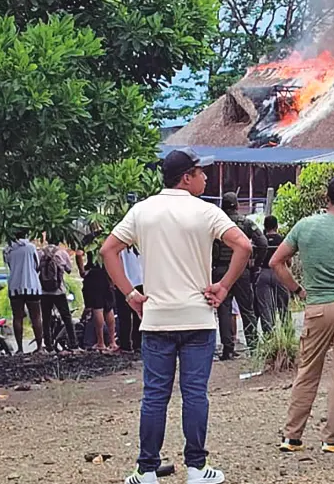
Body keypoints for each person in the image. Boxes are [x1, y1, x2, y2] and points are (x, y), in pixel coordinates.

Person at [101, 147, 251, 484]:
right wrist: (224, 286)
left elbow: (108, 249)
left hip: (156, 318)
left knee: (155, 395)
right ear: (186, 177)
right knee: (195, 393)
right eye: (200, 172)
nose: (205, 177)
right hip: (199, 316)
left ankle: (147, 469)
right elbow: (244, 245)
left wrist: (130, 293)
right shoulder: (206, 211)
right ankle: (197, 468)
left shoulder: (143, 211)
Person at [271, 177, 334, 455]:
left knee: (307, 372)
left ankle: (292, 436)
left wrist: (297, 289)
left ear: (326, 197)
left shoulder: (305, 226)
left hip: (315, 307)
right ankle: (332, 437)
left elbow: (275, 262)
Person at [212, 192, 267, 359]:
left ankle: (227, 349)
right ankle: (253, 347)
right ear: (237, 205)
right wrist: (256, 264)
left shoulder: (216, 224)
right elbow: (263, 243)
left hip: (220, 270)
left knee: (224, 310)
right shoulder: (246, 223)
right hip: (242, 271)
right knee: (247, 309)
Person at [4, 230, 44, 354]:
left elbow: (9, 265)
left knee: (17, 317)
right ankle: (39, 346)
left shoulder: (8, 249)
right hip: (31, 285)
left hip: (15, 286)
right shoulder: (31, 248)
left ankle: (20, 348)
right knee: (36, 317)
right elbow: (37, 265)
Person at [39, 240, 78, 352]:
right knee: (67, 317)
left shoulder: (41, 253)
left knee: (46, 319)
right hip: (59, 291)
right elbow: (69, 270)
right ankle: (73, 343)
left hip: (44, 291)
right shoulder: (62, 253)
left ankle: (48, 344)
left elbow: (36, 268)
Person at [255, 215, 289, 333]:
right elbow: (288, 262)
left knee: (266, 307)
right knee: (283, 305)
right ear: (276, 226)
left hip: (263, 274)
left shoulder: (261, 240)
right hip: (280, 274)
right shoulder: (283, 240)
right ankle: (287, 331)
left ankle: (270, 335)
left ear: (264, 226)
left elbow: (253, 261)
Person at [82, 255, 118, 351]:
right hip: (107, 273)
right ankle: (112, 342)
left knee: (98, 308)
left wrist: (82, 270)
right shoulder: (107, 239)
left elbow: (78, 253)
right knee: (109, 308)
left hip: (93, 275)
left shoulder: (88, 240)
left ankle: (100, 342)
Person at [116, 246, 143, 352]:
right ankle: (137, 343)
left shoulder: (120, 242)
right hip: (140, 280)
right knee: (138, 313)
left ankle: (125, 344)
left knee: (124, 315)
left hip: (124, 281)